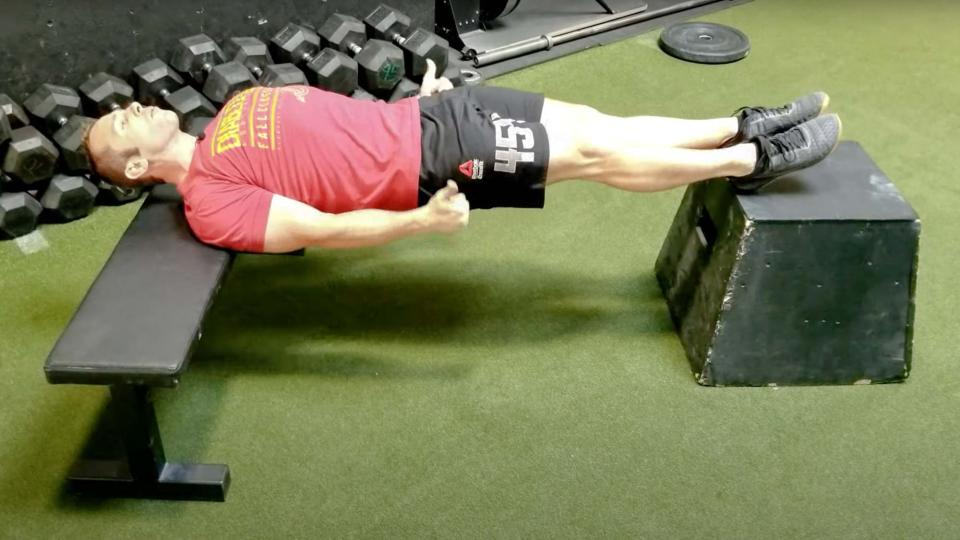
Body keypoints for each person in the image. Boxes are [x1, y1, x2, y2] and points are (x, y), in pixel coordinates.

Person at [83, 60, 841, 254]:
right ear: (139, 169)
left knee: (596, 121)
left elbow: (345, 123)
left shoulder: (233, 114)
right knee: (597, 155)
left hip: (436, 111)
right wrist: (419, 223)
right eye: (121, 127)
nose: (132, 109)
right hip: (441, 156)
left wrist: (420, 95)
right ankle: (749, 158)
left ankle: (736, 122)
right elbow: (316, 228)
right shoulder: (211, 199)